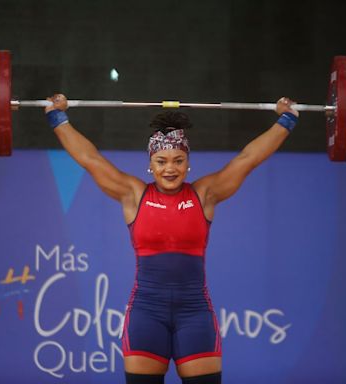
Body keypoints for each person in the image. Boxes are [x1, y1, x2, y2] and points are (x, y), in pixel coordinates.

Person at [44, 95, 299, 384]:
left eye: (178, 161)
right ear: (150, 165)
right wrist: (57, 117)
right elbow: (90, 160)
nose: (170, 168)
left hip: (195, 313)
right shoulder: (134, 195)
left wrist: (286, 119)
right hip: (146, 313)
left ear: (188, 164)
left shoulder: (204, 194)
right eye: (161, 161)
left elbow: (248, 159)